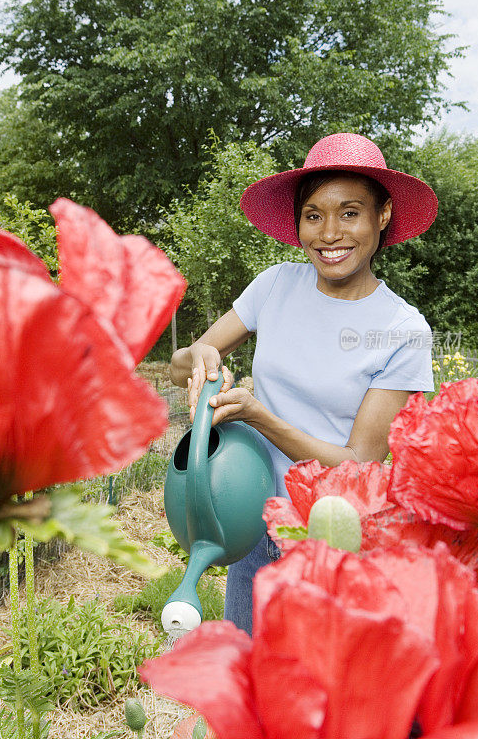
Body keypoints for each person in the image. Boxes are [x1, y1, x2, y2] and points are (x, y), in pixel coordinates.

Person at [170, 132, 437, 635]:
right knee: (247, 691)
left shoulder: (404, 330)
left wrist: (260, 417)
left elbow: (361, 463)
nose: (329, 233)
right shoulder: (276, 284)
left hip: (328, 538)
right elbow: (181, 365)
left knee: (314, 698)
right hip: (251, 522)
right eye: (313, 215)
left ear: (383, 215)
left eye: (350, 212)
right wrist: (198, 356)